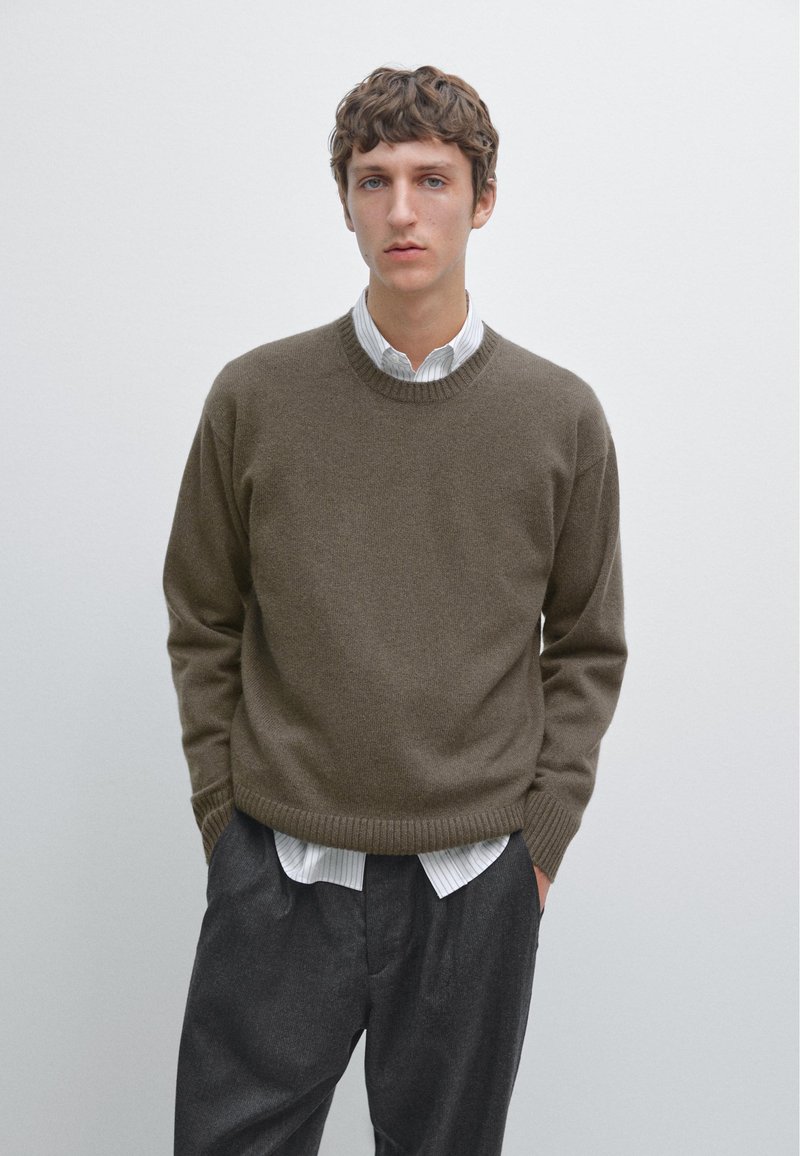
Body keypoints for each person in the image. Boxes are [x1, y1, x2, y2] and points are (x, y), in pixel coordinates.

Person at [162, 63, 628, 1156]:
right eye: (374, 181)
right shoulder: (254, 398)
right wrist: (224, 817)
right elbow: (203, 614)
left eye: (432, 179)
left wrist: (539, 843)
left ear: (482, 199)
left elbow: (587, 643)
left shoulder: (558, 418)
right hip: (280, 870)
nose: (402, 211)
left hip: (474, 882)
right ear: (345, 201)